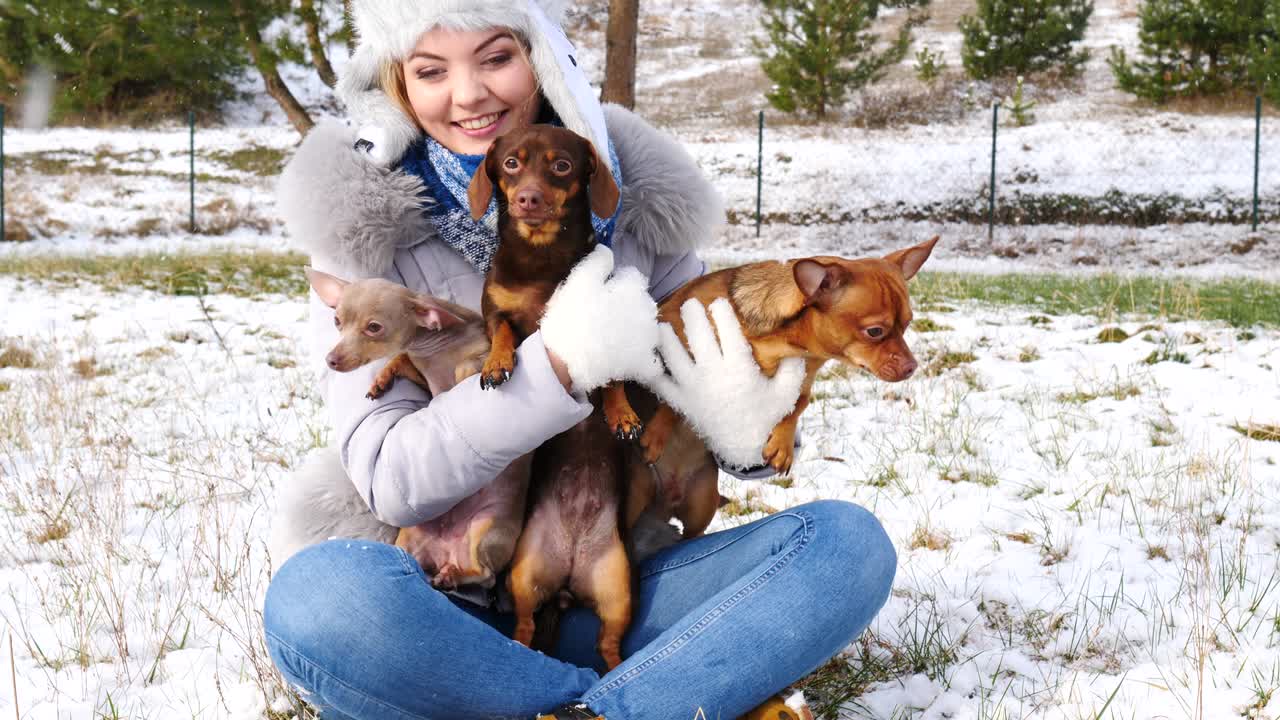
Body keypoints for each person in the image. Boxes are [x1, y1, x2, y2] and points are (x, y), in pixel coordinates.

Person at [263, 1, 897, 718]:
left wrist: (744, 420)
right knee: (316, 600)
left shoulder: (634, 206)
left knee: (846, 546)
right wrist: (555, 369)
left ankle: (580, 709)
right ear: (398, 86)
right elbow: (392, 480)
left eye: (496, 58)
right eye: (431, 70)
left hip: (614, 574)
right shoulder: (366, 240)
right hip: (441, 602)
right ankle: (650, 696)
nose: (468, 94)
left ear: (545, 60)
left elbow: (720, 386)